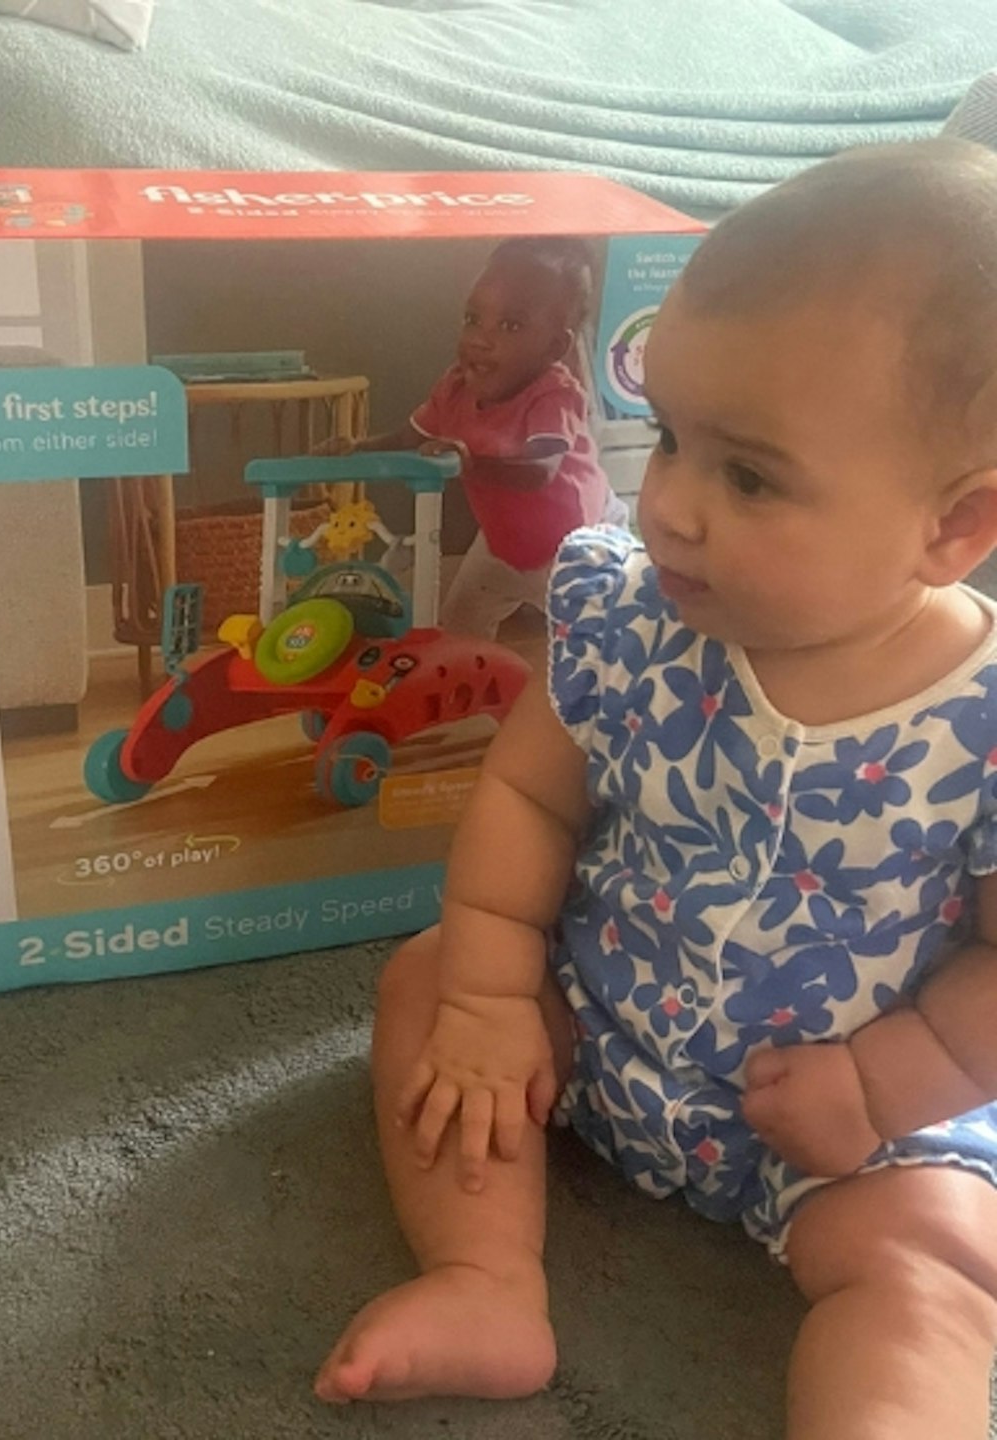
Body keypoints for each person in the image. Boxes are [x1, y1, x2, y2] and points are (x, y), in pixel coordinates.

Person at [315, 138, 997, 1439]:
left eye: (748, 475)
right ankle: (486, 1280)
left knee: (941, 1265)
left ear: (951, 528)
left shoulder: (987, 718)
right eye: (672, 437)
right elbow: (528, 803)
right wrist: (489, 996)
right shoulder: (634, 622)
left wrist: (887, 1084)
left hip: (849, 1124)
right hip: (597, 1028)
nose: (669, 508)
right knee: (423, 989)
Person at [321, 237, 625, 637]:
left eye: (510, 325)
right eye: (472, 319)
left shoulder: (555, 395)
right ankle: (469, 698)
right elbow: (409, 436)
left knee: (595, 645)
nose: (480, 338)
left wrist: (472, 462)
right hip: (502, 547)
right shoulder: (456, 387)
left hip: (574, 545)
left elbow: (540, 469)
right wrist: (358, 447)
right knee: (461, 626)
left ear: (555, 346)